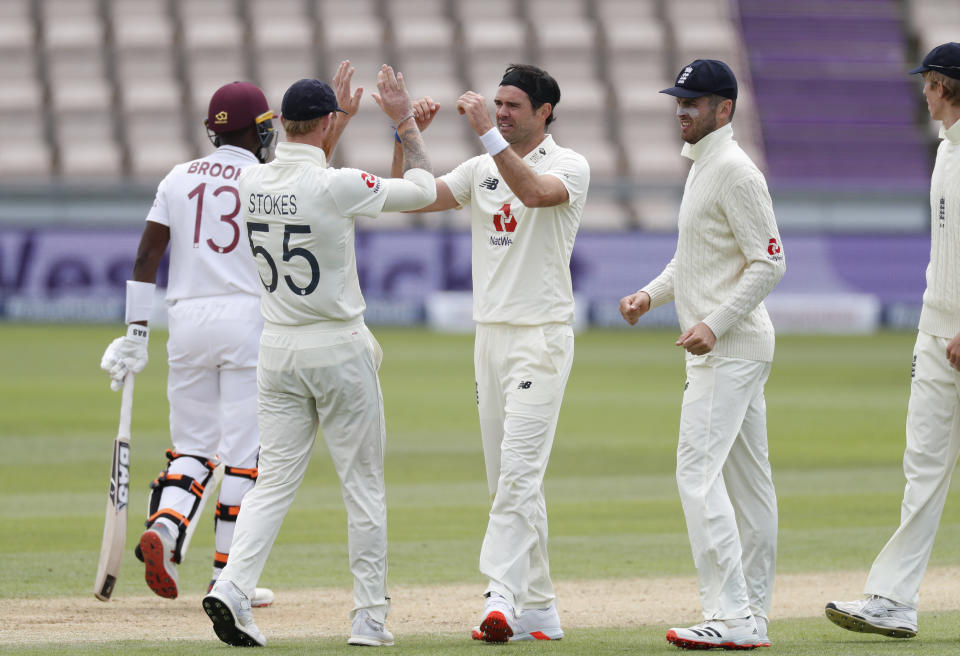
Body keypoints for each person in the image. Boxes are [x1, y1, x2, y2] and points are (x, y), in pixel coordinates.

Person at [201, 65, 435, 648]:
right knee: (362, 489)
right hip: (337, 348)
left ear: (280, 123)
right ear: (329, 123)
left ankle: (232, 587)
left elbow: (310, 168)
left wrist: (337, 120)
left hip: (277, 350)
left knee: (272, 482)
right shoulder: (336, 184)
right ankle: (369, 620)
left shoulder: (251, 181)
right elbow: (425, 190)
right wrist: (404, 122)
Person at [395, 63, 590, 643]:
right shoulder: (481, 168)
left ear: (544, 113)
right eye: (497, 104)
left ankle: (498, 596)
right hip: (490, 340)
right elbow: (414, 197)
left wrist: (485, 133)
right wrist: (404, 128)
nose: (502, 113)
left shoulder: (569, 165)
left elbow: (532, 194)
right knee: (507, 478)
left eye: (513, 106)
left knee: (519, 473)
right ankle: (542, 610)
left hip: (542, 338)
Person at [618, 59, 785, 650]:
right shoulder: (703, 169)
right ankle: (753, 615)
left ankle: (732, 616)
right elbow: (694, 261)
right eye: (679, 100)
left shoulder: (736, 172)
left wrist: (713, 324)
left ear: (725, 110)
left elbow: (770, 261)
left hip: (729, 349)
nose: (682, 109)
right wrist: (650, 294)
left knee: (696, 475)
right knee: (748, 487)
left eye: (694, 101)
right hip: (732, 348)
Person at [99, 80, 281, 606]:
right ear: (255, 131)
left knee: (195, 448)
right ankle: (229, 579)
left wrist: (135, 334)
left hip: (186, 320)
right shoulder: (265, 177)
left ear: (212, 129)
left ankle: (167, 527)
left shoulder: (177, 177)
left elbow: (145, 258)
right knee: (246, 458)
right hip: (248, 317)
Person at [825, 42, 960, 641]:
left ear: (943, 84)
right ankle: (893, 600)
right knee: (923, 467)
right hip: (936, 330)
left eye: (927, 82)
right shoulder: (945, 150)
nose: (922, 92)